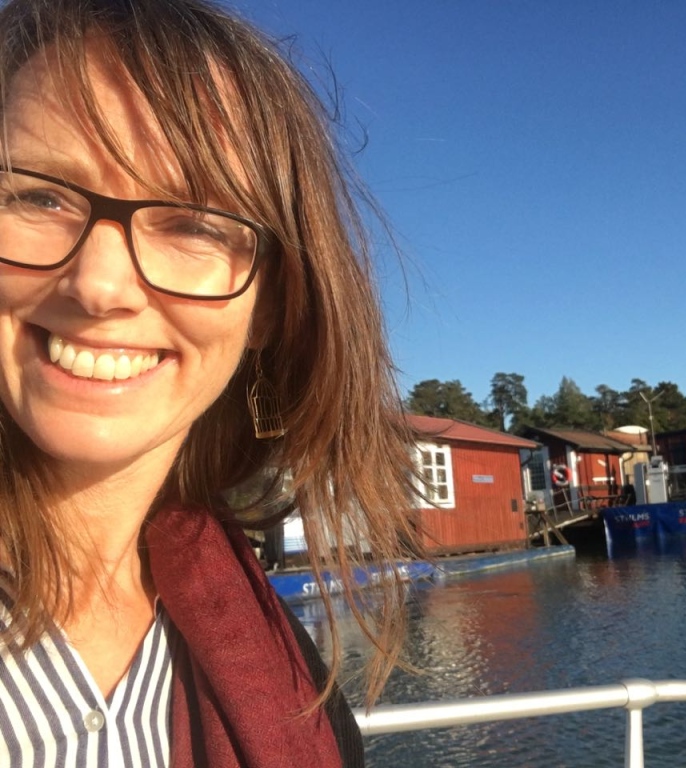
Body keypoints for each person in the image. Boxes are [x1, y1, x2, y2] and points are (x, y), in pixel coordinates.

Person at [0, 0, 422, 764]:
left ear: (271, 306)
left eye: (194, 223)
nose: (100, 286)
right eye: (38, 195)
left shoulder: (275, 665)